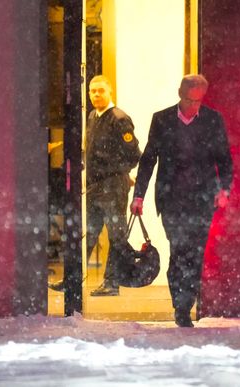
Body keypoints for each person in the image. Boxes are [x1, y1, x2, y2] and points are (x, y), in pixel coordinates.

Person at [130, 74, 233, 327]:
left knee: (194, 253)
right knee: (179, 250)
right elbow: (148, 159)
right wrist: (139, 195)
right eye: (188, 99)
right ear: (179, 93)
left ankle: (186, 305)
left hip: (201, 199)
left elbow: (224, 158)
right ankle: (180, 304)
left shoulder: (212, 120)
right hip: (172, 198)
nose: (192, 106)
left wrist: (224, 190)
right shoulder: (162, 119)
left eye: (197, 101)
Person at [85, 75, 141, 296]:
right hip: (95, 187)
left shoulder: (119, 119)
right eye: (92, 91)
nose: (96, 94)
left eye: (100, 90)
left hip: (112, 187)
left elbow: (134, 155)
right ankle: (72, 279)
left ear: (109, 92)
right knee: (88, 233)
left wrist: (118, 173)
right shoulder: (92, 116)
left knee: (116, 235)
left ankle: (112, 283)